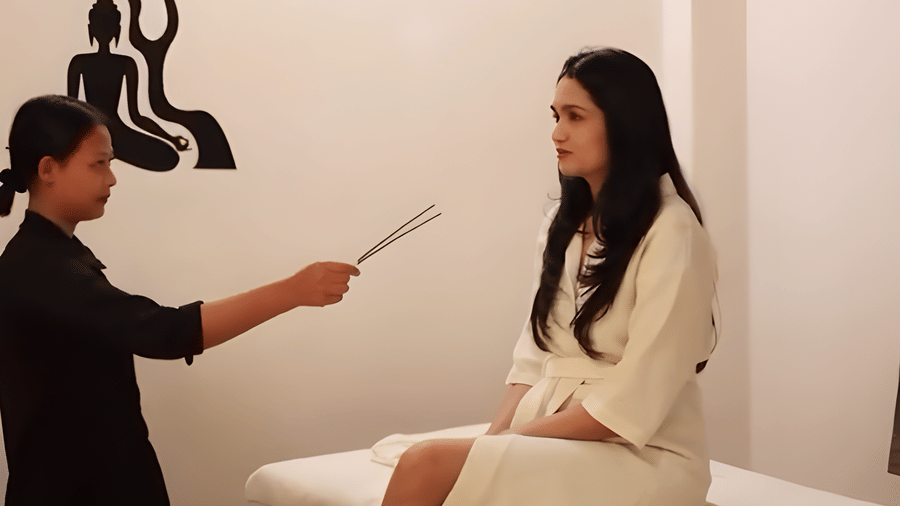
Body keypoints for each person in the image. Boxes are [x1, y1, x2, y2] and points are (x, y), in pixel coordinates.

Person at [378, 48, 718, 506]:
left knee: (425, 464)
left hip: (643, 453)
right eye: (556, 116)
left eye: (575, 117)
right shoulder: (561, 224)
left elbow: (634, 401)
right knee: (435, 464)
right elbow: (533, 358)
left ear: (624, 125)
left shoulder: (673, 230)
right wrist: (494, 438)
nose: (557, 133)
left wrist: (507, 444)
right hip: (560, 437)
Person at [0, 95, 359, 505]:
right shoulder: (41, 270)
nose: (112, 178)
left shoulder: (47, 259)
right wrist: (292, 291)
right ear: (48, 169)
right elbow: (164, 332)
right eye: (98, 164)